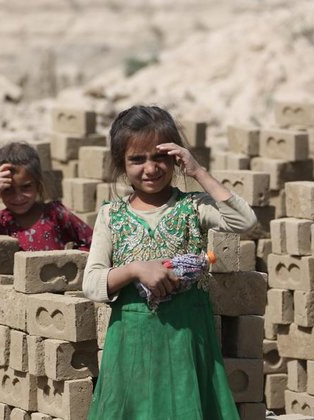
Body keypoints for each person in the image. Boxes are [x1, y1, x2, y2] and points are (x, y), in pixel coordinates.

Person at [82, 105, 257, 419]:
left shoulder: (193, 207)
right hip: (132, 342)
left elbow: (244, 220)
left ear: (176, 159)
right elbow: (92, 284)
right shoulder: (112, 215)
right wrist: (136, 269)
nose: (150, 168)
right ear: (121, 163)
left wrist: (199, 172)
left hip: (186, 340)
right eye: (137, 159)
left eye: (159, 157)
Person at [0, 142, 92, 251]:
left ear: (38, 183)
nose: (18, 197)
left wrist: (73, 263)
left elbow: (93, 241)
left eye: (26, 187)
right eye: (8, 190)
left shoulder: (55, 215)